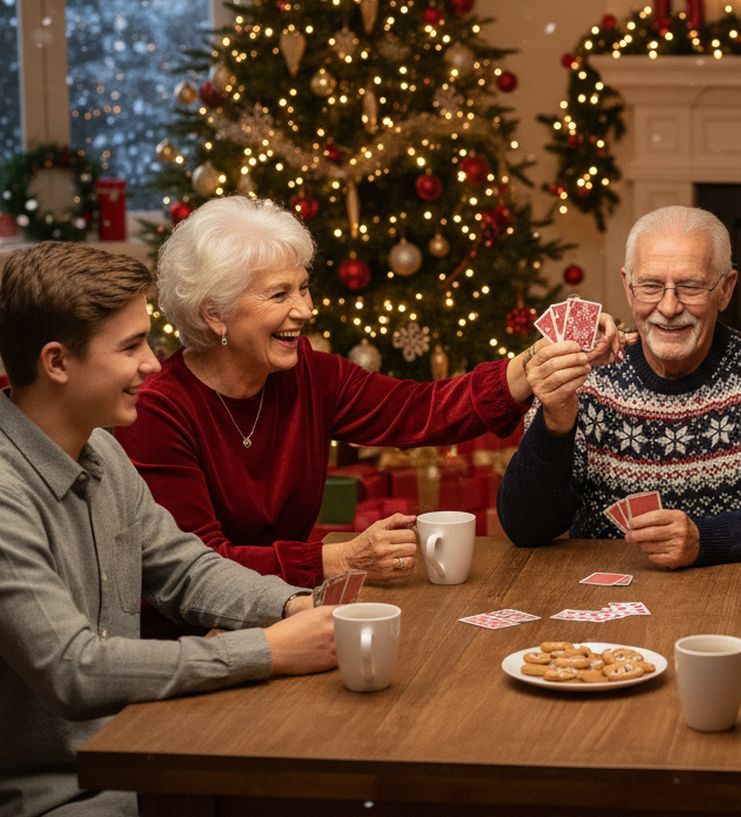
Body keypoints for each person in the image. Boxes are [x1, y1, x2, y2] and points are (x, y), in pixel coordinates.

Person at [113, 196, 618, 637]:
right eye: (279, 294)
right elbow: (200, 567)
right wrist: (342, 559)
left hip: (293, 612)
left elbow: (419, 411)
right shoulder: (159, 410)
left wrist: (532, 363)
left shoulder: (308, 374)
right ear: (214, 313)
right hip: (194, 637)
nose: (304, 310)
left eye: (303, 288)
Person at [0, 243, 337, 817]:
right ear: (56, 363)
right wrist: (266, 651)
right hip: (65, 798)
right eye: (131, 347)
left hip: (148, 754)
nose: (156, 364)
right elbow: (74, 670)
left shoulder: (99, 445)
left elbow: (184, 568)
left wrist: (290, 606)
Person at [496, 205, 741, 568]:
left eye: (690, 286)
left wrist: (704, 540)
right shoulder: (584, 377)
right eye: (650, 286)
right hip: (606, 598)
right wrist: (554, 425)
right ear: (628, 288)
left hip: (739, 591)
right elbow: (525, 529)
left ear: (725, 290)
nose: (669, 306)